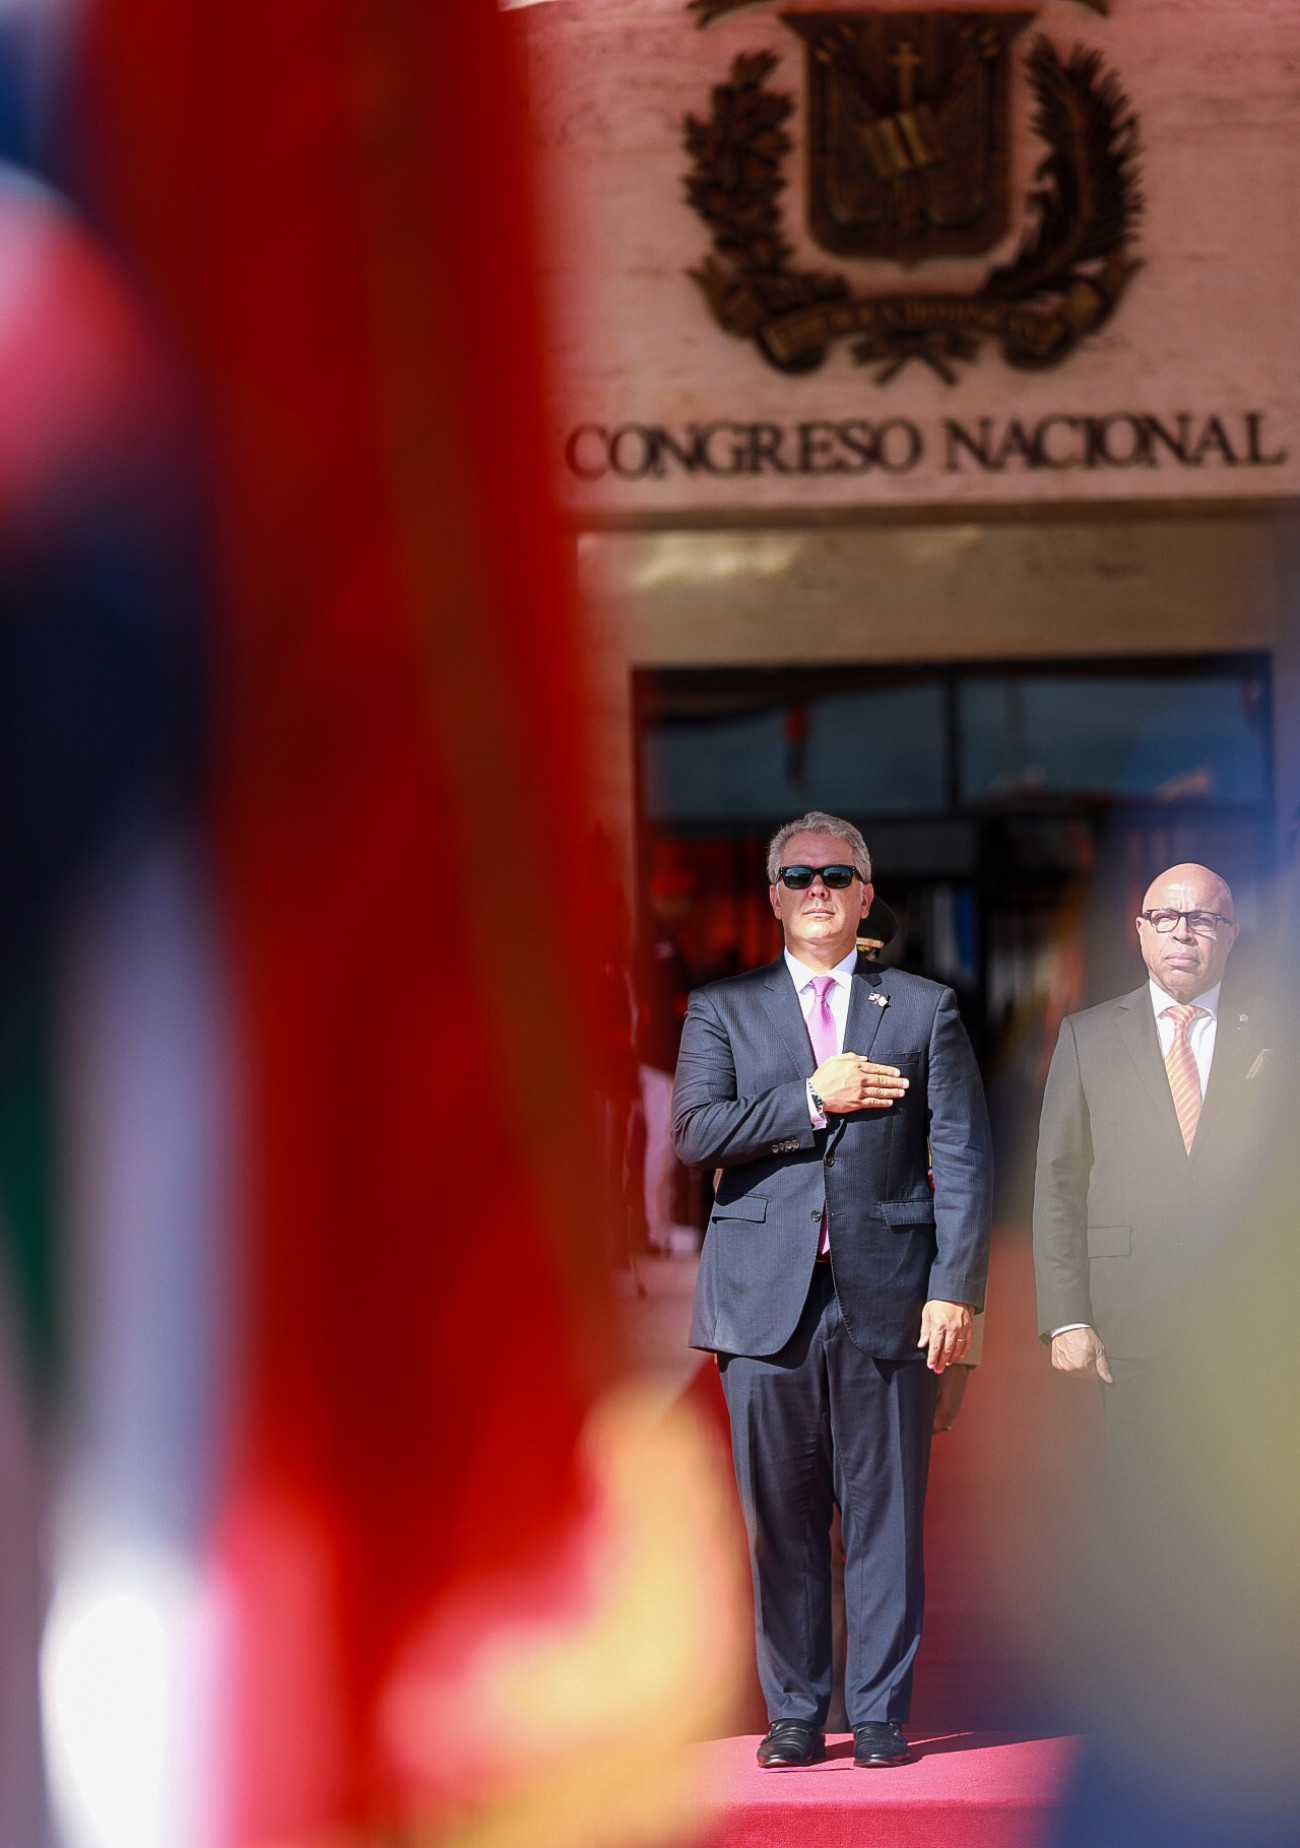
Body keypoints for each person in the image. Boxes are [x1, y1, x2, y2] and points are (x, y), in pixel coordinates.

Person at [672, 811, 992, 1770]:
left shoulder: (924, 1008)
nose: (820, 890)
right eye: (800, 876)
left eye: (838, 876)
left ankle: (882, 1711)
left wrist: (955, 1290)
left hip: (887, 1295)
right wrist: (816, 1095)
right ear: (773, 897)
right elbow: (694, 1132)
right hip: (759, 1304)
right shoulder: (722, 1009)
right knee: (780, 1519)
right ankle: (796, 1711)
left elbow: (963, 1158)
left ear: (865, 893)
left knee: (885, 1517)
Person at [1033, 862, 1269, 1431]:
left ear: (1231, 934)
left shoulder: (1277, 1032)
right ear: (1140, 931)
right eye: (1165, 917)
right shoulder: (1086, 1037)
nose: (1182, 932)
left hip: (1261, 1325)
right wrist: (1066, 1318)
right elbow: (1059, 1184)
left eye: (1203, 919)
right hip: (1130, 1326)